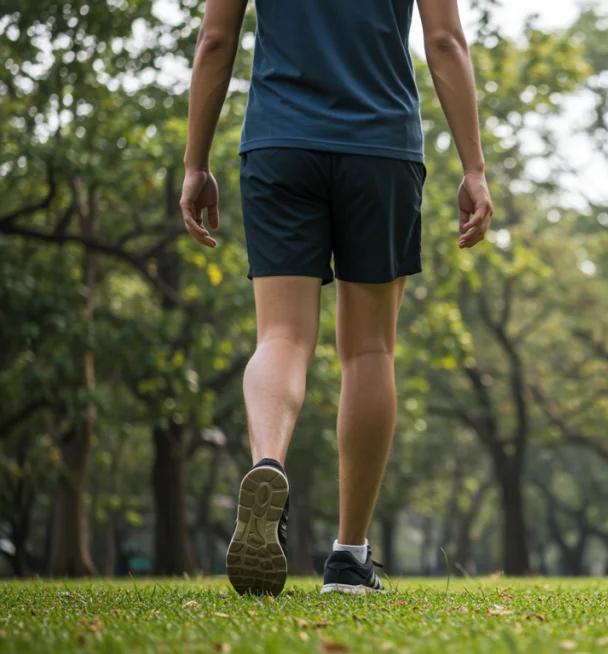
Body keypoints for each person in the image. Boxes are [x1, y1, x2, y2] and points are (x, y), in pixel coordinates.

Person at [180, 0, 493, 595]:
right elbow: (446, 41)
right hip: (381, 147)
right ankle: (350, 558)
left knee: (281, 336)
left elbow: (215, 40)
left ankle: (267, 463)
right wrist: (473, 168)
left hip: (279, 145)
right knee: (370, 350)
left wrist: (195, 163)